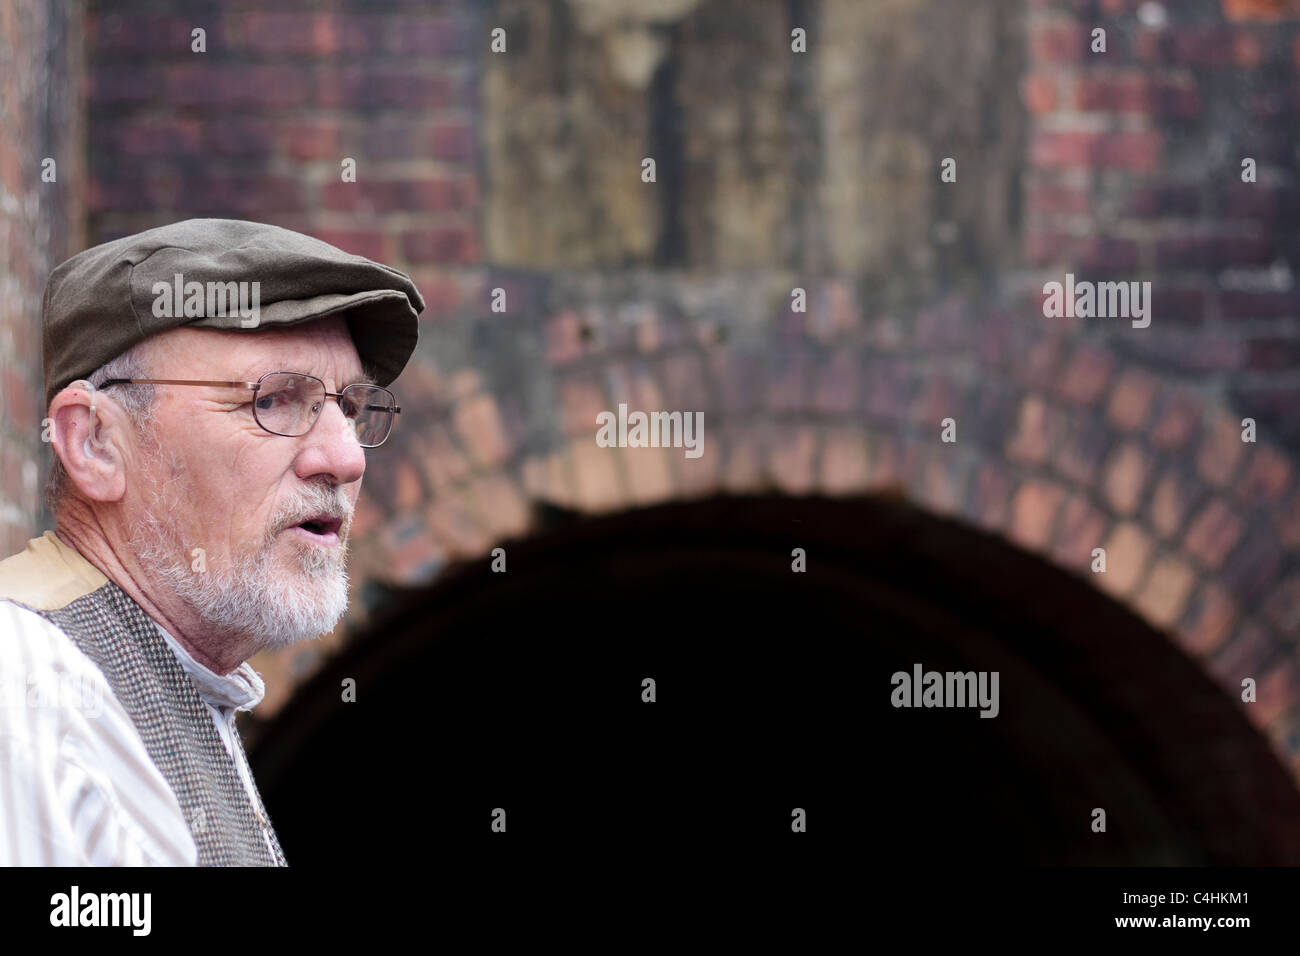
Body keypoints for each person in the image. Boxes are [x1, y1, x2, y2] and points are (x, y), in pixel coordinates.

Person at [0, 218, 423, 865]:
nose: (346, 457)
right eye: (275, 400)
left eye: (351, 406)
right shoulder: (30, 696)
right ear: (94, 443)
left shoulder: (165, 681)